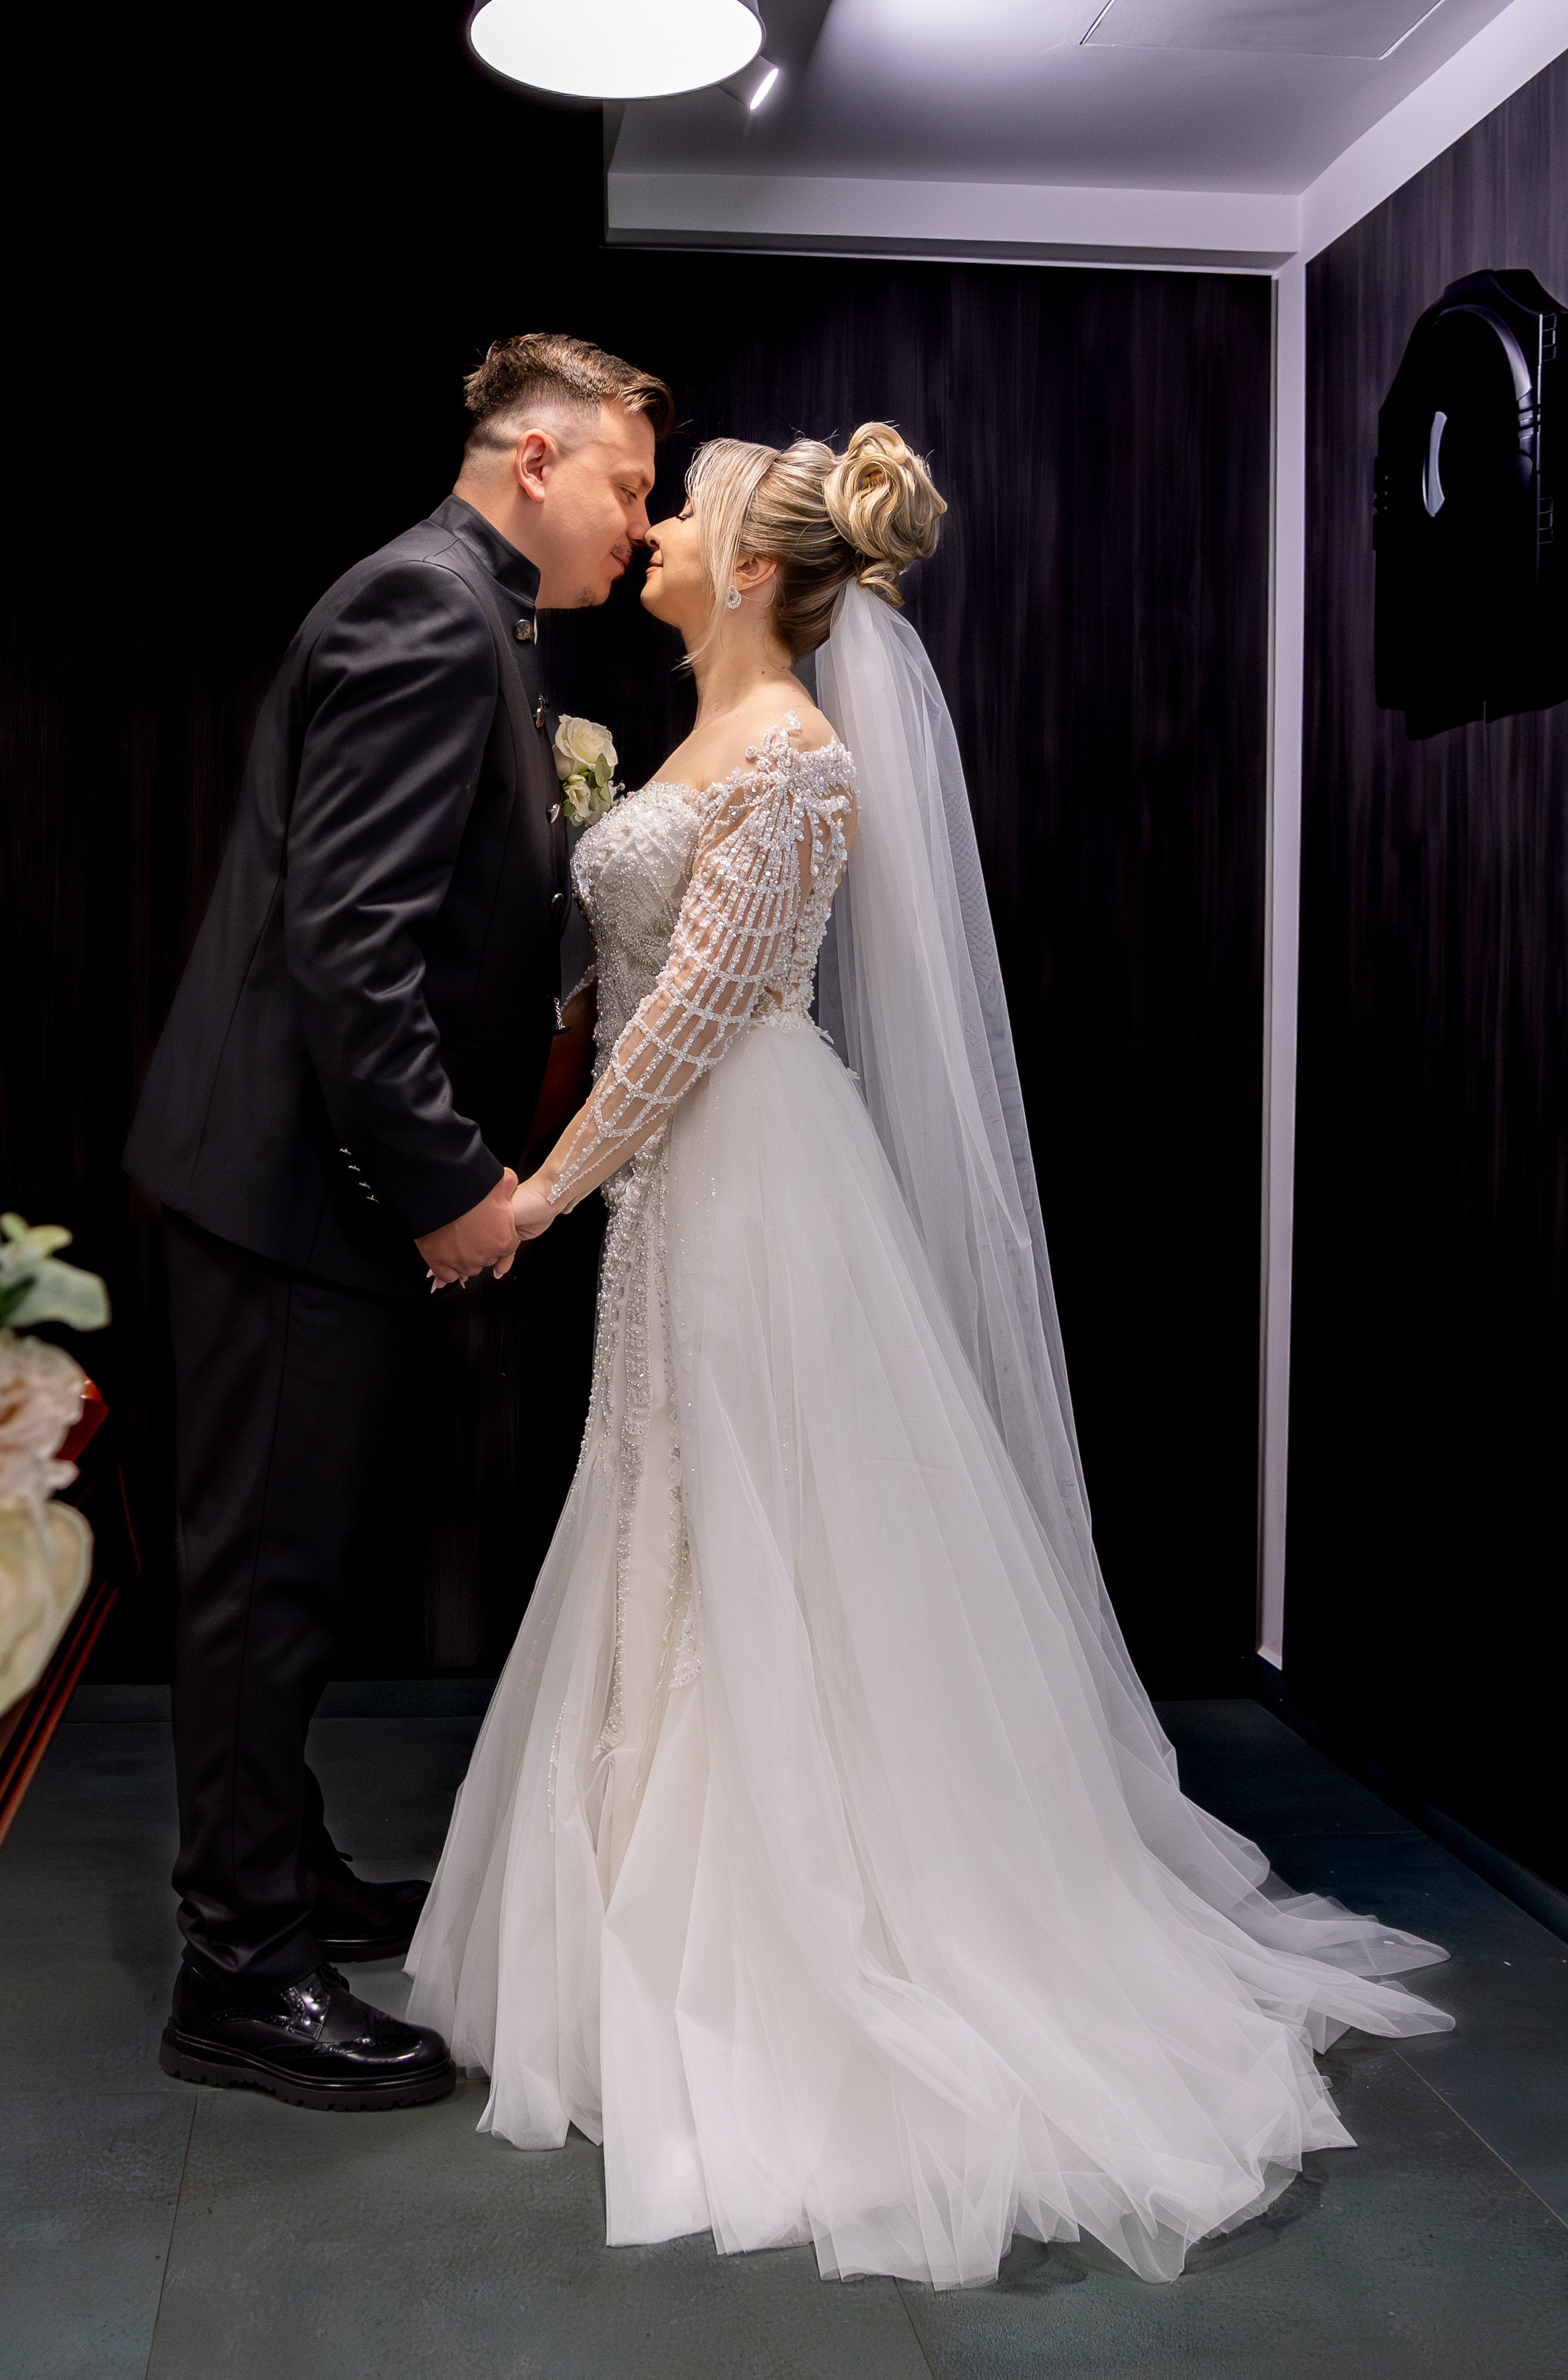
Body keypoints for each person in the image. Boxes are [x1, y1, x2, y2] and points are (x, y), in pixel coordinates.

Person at [406, 423, 1454, 2277]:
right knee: (667, 1502)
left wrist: (536, 1195)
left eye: (680, 511)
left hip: (749, 1179)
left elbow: (698, 1021)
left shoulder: (798, 759)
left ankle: (793, 1936)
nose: (651, 531)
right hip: (679, 1190)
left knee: (760, 1527)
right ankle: (647, 1897)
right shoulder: (697, 736)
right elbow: (622, 989)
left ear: (748, 570)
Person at [125, 333, 673, 2111]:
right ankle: (237, 1968)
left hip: (308, 1181)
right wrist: (449, 1188)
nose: (639, 522)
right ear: (535, 461)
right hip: (295, 1184)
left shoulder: (477, 613)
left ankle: (280, 1870)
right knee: (261, 1578)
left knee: (294, 1564)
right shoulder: (430, 611)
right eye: (626, 486)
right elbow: (349, 948)